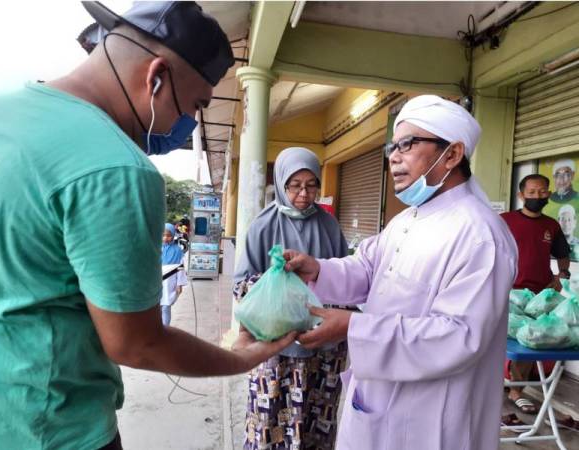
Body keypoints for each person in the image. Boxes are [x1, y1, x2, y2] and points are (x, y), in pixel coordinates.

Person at [0, 3, 295, 450]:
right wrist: (239, 358)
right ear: (156, 78)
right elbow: (136, 343)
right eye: (195, 105)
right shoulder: (117, 168)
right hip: (52, 429)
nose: (186, 125)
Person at [281, 95, 518, 450]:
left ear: (451, 154)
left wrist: (353, 326)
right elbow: (367, 268)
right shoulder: (407, 219)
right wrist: (317, 268)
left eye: (407, 144)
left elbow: (459, 336)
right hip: (378, 399)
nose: (393, 156)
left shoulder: (481, 235)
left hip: (433, 418)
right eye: (393, 146)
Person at [233, 147, 350, 450]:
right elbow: (241, 286)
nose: (303, 193)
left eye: (311, 185)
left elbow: (348, 279)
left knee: (315, 420)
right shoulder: (262, 226)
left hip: (321, 346)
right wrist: (280, 282)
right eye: (295, 185)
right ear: (281, 184)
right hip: (276, 346)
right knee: (270, 420)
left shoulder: (329, 226)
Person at [501, 174, 571, 414]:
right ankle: (493, 382)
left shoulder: (551, 225)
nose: (537, 196)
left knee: (528, 342)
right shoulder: (504, 220)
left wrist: (562, 274)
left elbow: (562, 254)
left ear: (549, 194)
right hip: (506, 291)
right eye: (531, 192)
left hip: (538, 296)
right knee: (496, 340)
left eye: (542, 192)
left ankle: (516, 391)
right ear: (521, 195)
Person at [161, 223, 188, 326]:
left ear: (173, 235)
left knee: (166, 306)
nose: (165, 238)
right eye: (163, 235)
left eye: (168, 235)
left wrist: (179, 284)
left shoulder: (177, 251)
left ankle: (165, 329)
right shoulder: (156, 249)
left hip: (170, 282)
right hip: (157, 283)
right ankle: (158, 329)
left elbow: (180, 268)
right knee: (157, 307)